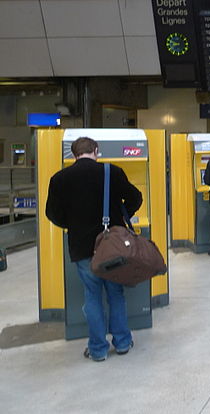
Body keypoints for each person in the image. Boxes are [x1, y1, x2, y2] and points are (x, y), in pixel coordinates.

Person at [45, 137, 142, 362]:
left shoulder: (59, 179)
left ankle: (98, 350)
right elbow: (136, 197)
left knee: (92, 296)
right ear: (96, 151)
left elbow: (52, 213)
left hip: (82, 246)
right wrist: (119, 216)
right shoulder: (113, 172)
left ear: (74, 154)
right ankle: (123, 343)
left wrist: (72, 225)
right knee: (116, 294)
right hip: (112, 245)